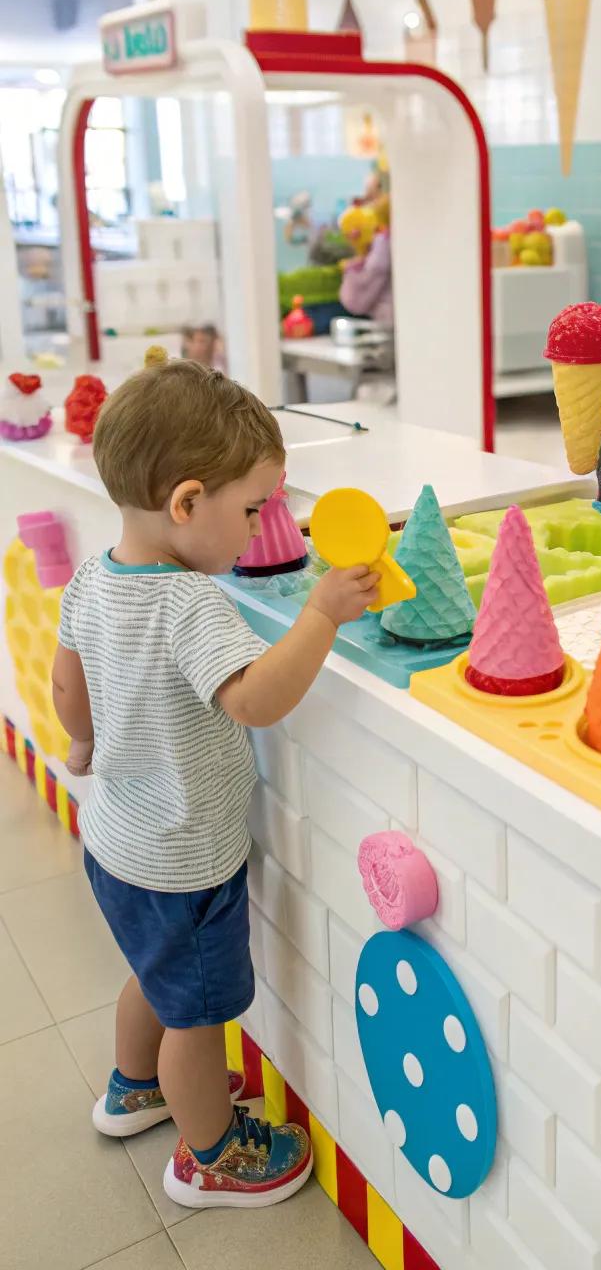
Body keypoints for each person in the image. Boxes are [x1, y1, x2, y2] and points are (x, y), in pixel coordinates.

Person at [50, 360, 379, 1209]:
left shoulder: (94, 576)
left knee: (151, 977)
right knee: (196, 1019)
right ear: (188, 502)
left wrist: (82, 745)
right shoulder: (190, 604)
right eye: (254, 509)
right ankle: (210, 1157)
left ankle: (134, 1090)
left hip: (117, 841)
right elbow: (256, 700)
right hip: (185, 862)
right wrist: (321, 618)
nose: (260, 528)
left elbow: (66, 683)